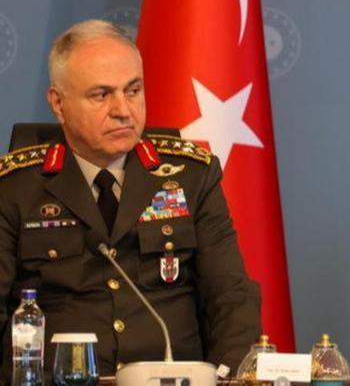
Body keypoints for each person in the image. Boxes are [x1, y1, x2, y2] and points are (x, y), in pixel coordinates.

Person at [0, 20, 261, 378]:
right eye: (101, 95)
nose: (123, 109)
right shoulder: (15, 188)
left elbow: (230, 297)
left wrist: (231, 381)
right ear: (58, 104)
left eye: (133, 90)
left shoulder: (192, 176)